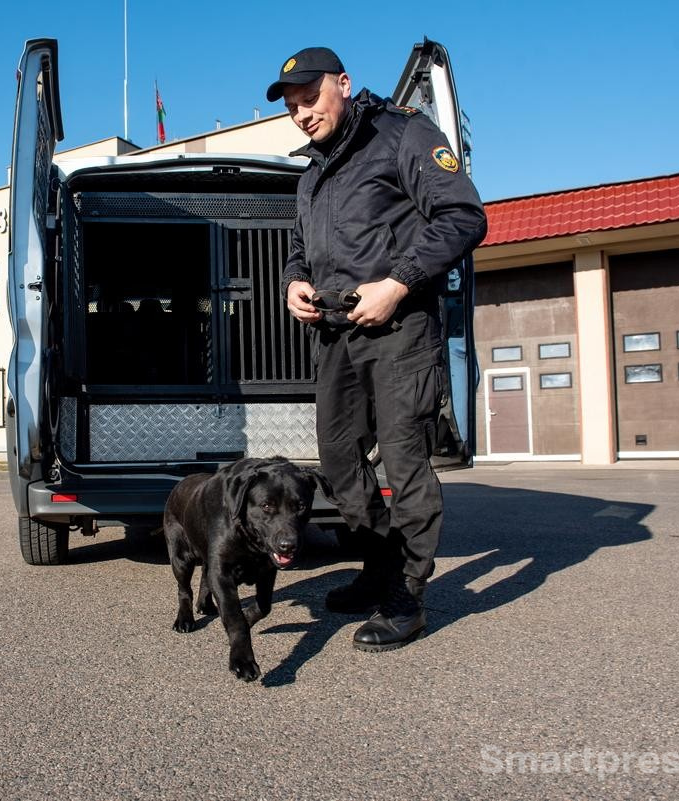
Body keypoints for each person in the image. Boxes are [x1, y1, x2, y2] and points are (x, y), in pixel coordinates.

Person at [267, 46, 488, 651]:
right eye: (291, 106)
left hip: (399, 329)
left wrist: (396, 285)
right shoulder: (311, 174)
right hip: (336, 334)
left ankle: (407, 597)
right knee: (338, 466)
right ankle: (378, 567)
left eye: (309, 98)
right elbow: (298, 249)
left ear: (343, 83)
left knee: (402, 463)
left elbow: (464, 217)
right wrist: (294, 283)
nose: (301, 114)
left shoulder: (404, 136)